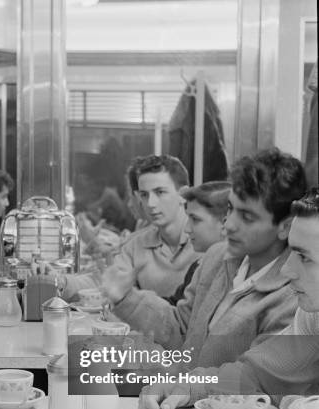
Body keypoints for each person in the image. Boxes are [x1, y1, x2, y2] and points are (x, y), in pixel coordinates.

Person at [137, 187, 319, 409]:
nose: (289, 269)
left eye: (304, 256)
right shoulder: (312, 314)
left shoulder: (295, 300)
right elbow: (254, 375)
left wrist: (289, 402)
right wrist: (185, 386)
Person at [102, 147, 307, 372]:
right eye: (231, 208)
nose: (228, 224)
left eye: (247, 217)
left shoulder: (294, 298)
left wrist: (179, 387)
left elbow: (254, 379)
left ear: (285, 226)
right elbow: (182, 330)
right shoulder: (217, 257)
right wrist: (127, 298)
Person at [62, 154, 198, 301]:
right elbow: (101, 281)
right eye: (144, 195)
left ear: (183, 194)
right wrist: (59, 281)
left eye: (160, 192)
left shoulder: (208, 244)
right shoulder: (135, 245)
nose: (151, 204)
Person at [167, 181, 230, 304]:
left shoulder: (235, 276)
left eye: (195, 219)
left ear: (225, 223)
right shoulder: (198, 266)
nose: (187, 229)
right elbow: (175, 306)